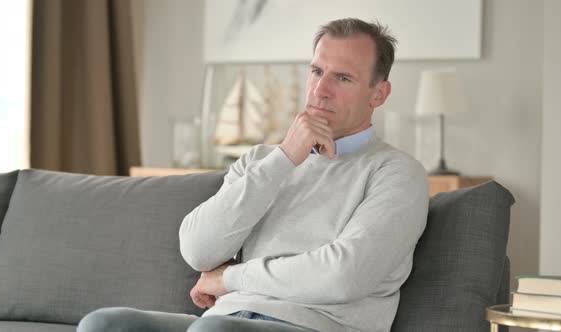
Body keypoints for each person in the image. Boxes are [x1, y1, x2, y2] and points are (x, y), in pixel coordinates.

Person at [77, 17, 429, 332]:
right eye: (317, 71)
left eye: (343, 77)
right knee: (104, 324)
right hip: (226, 320)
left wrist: (230, 278)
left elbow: (342, 276)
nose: (321, 90)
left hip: (315, 326)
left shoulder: (397, 173)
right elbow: (197, 251)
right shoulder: (263, 161)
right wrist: (285, 158)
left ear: (378, 94)